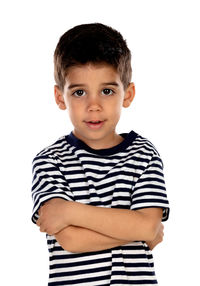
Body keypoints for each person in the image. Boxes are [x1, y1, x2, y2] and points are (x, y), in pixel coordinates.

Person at [31, 23, 170, 285]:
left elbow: (149, 226)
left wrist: (70, 212)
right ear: (60, 98)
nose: (93, 106)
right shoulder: (50, 160)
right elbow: (71, 240)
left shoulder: (144, 154)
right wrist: (137, 228)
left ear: (127, 94)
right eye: (79, 92)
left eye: (107, 91)